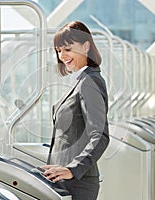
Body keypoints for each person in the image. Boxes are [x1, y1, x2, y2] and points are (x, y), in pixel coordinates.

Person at [40, 21, 110, 200]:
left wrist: (72, 169)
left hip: (77, 184)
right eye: (58, 50)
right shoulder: (80, 81)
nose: (62, 56)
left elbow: (100, 135)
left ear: (86, 47)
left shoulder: (90, 82)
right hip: (63, 181)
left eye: (68, 49)